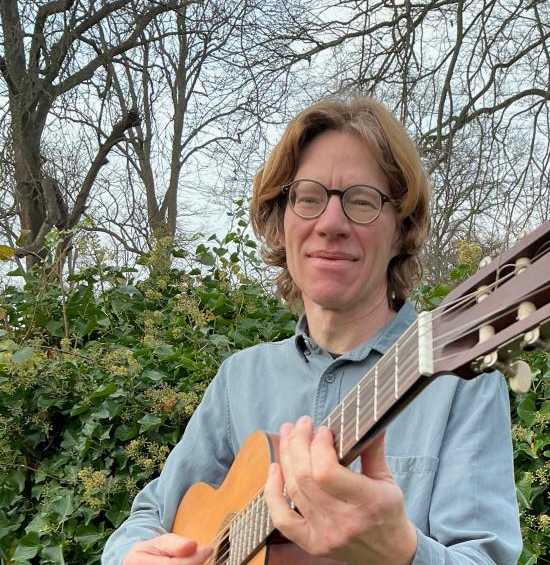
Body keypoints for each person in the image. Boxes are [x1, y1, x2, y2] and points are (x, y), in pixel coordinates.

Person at [102, 96, 522, 564]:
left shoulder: (462, 381)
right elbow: (150, 514)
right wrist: (130, 556)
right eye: (308, 198)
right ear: (281, 220)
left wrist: (404, 553)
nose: (331, 223)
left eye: (362, 201)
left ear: (402, 230)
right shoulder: (240, 379)